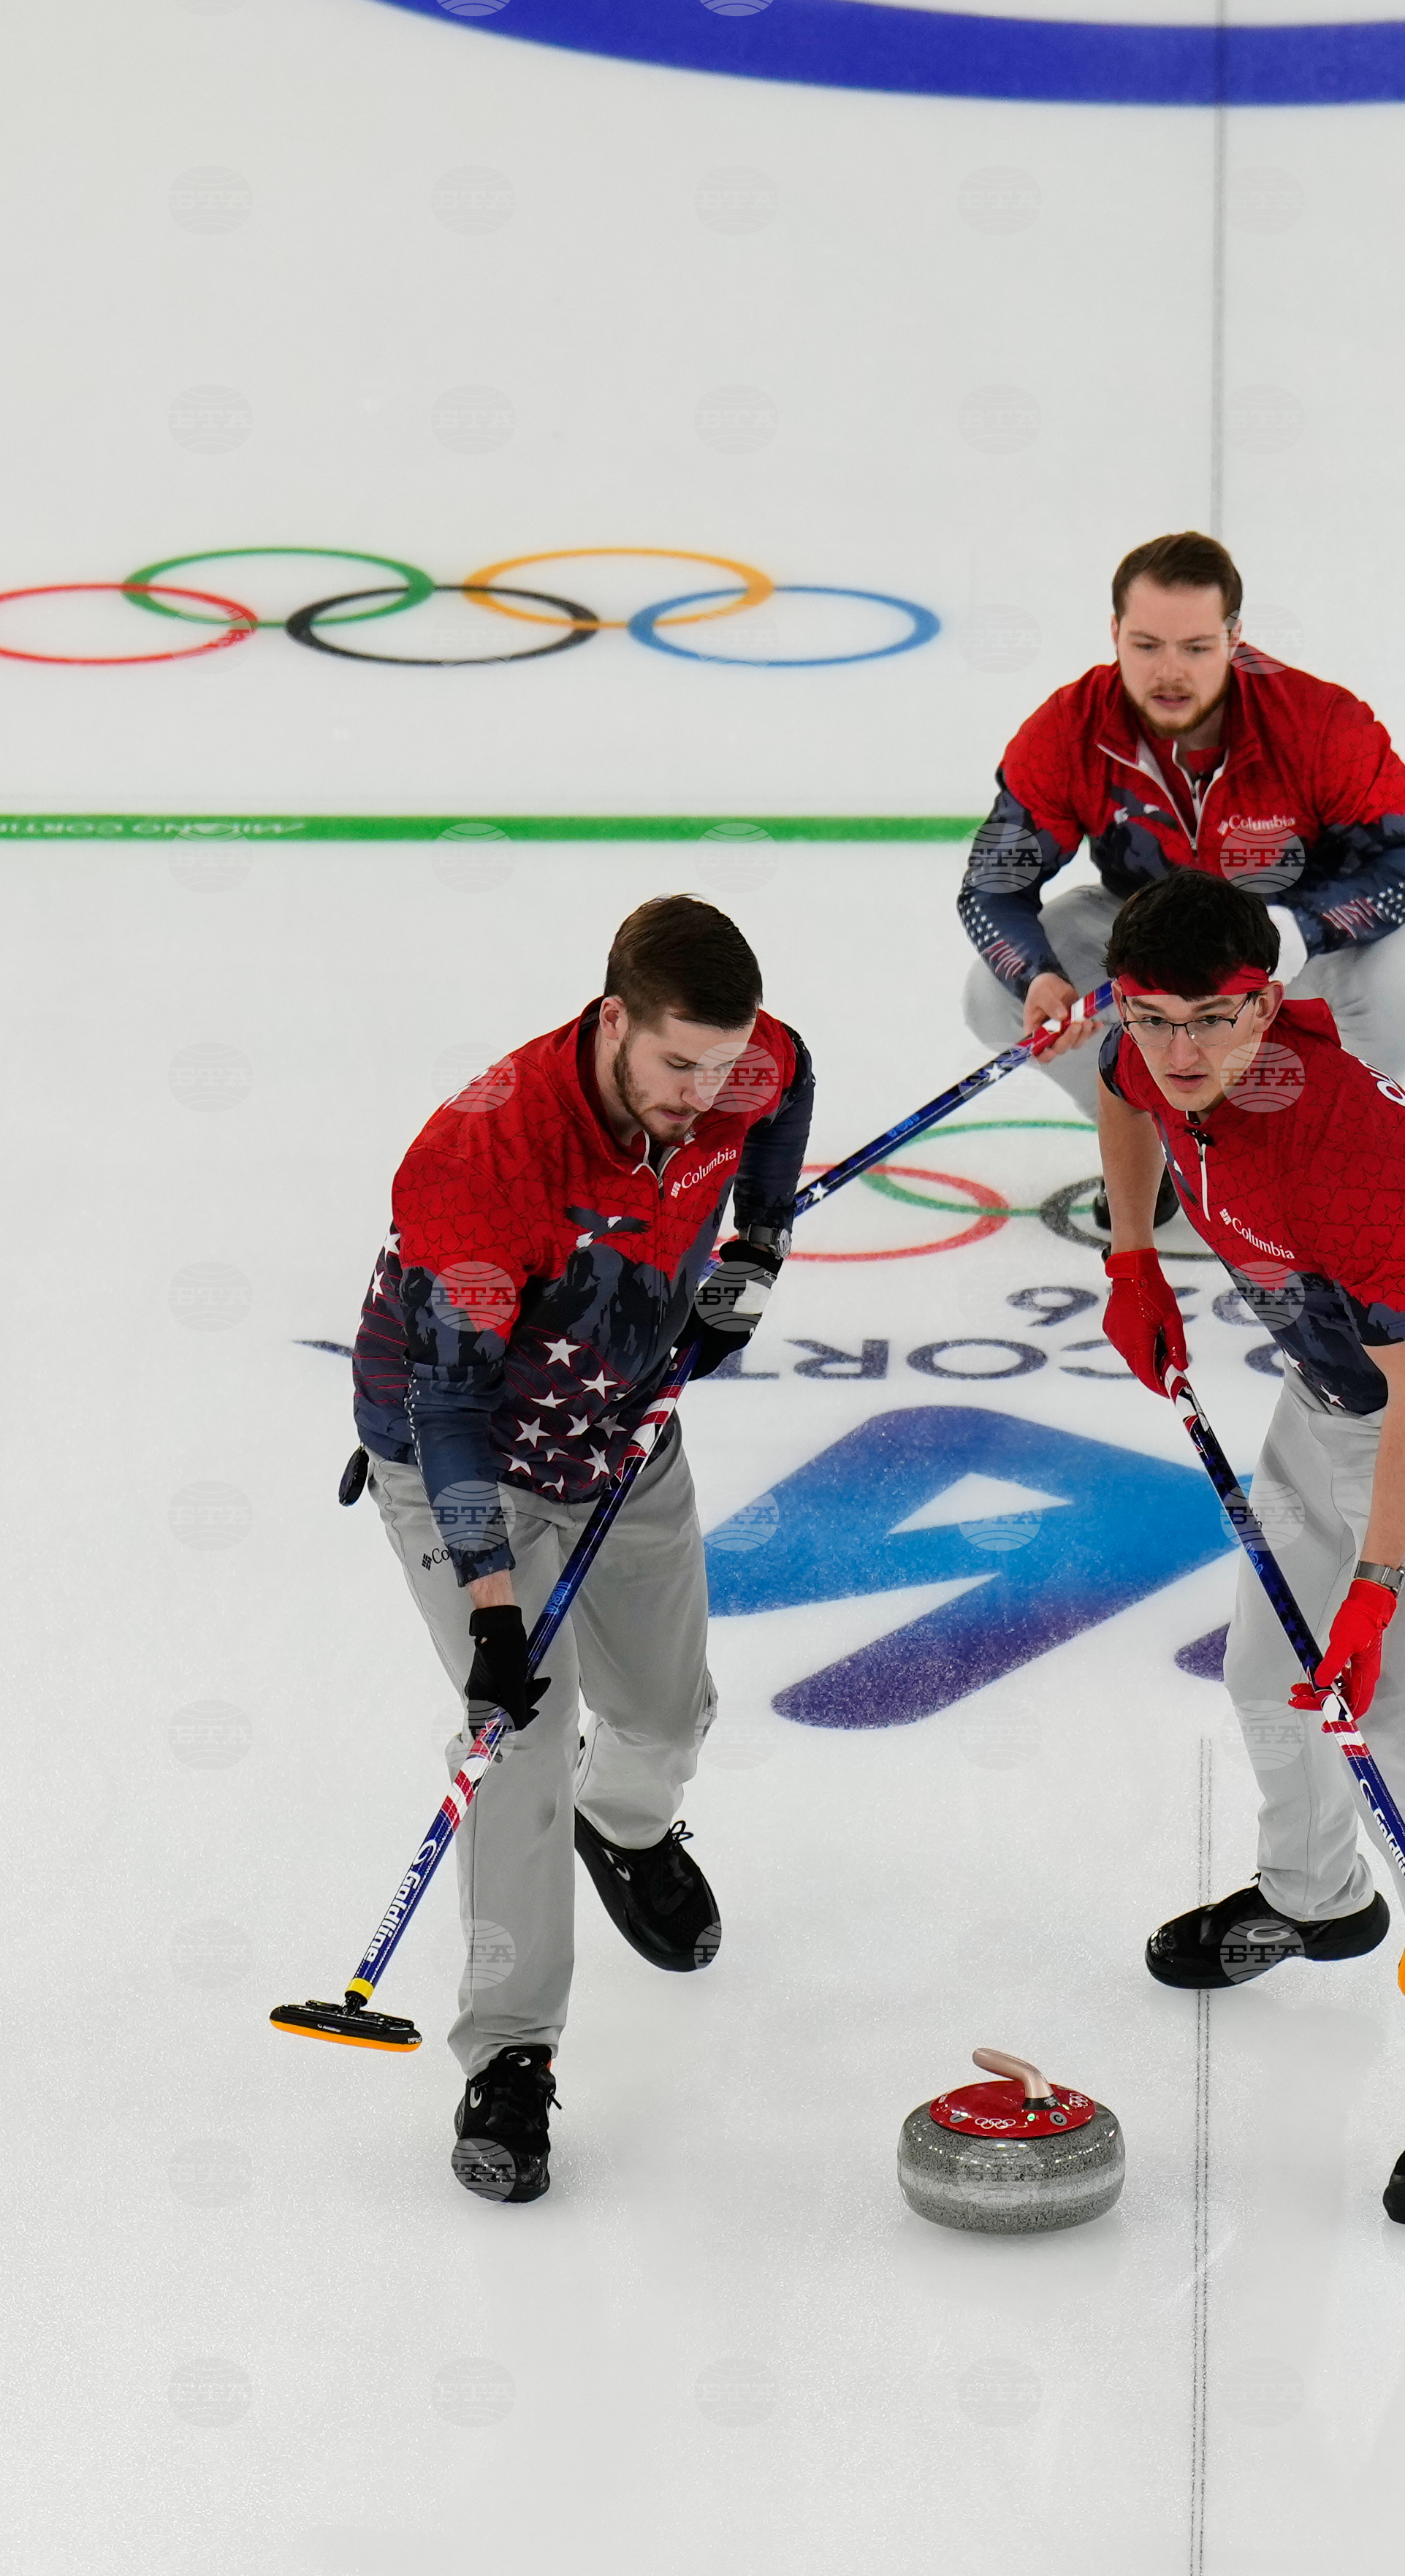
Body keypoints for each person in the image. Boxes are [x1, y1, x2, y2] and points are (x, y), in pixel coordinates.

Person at [1093, 868, 1405, 2225]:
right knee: (1261, 1680)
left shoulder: (1342, 1149)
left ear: (1267, 1005)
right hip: (1327, 1395)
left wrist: (1376, 1585)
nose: (1180, 1050)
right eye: (1158, 1015)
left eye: (1212, 1021)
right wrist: (1134, 1256)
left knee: (1400, 1735)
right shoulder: (1155, 1048)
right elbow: (1125, 1087)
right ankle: (1318, 1896)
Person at [349, 895, 812, 2203]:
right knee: (522, 1741)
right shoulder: (481, 1156)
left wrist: (758, 1242)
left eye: (719, 1070)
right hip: (468, 1465)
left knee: (667, 1708)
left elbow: (789, 1084)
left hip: (621, 1428)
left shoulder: (737, 1063)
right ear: (613, 1018)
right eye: (677, 1067)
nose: (702, 1095)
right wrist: (495, 1619)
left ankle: (628, 1822)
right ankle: (511, 2056)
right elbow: (446, 1407)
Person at [959, 531, 1405, 1229]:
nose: (1170, 672)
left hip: (1286, 947)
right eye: (1146, 644)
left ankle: (1317, 1151)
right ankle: (1150, 1143)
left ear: (1233, 636)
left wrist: (1303, 926)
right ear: (1114, 633)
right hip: (1150, 940)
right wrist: (1036, 978)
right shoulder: (1068, 728)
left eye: (1195, 647)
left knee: (1404, 972)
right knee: (992, 992)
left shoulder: (1316, 720)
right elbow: (991, 886)